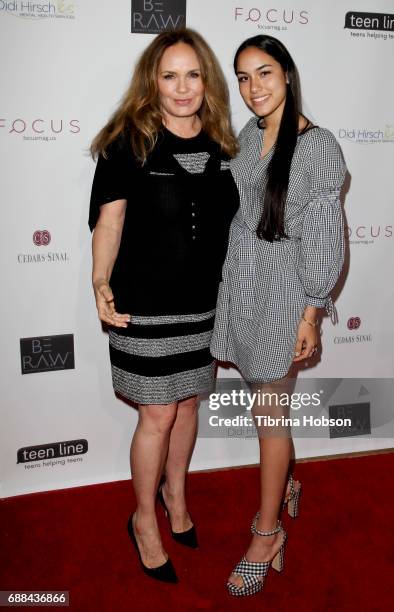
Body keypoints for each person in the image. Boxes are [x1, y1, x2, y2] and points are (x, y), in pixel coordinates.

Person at [88, 28, 239, 584]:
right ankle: (144, 519)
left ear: (208, 81)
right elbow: (110, 221)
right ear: (152, 80)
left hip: (204, 307)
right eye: (169, 75)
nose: (182, 87)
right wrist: (99, 281)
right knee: (158, 413)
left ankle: (177, 495)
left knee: (188, 406)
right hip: (144, 308)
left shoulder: (226, 145)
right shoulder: (127, 142)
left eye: (193, 74)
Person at [210, 35, 347, 596]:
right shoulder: (248, 134)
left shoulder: (319, 147)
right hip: (242, 294)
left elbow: (324, 240)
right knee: (271, 414)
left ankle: (266, 534)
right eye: (243, 77)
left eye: (264, 73)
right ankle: (285, 480)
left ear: (287, 75)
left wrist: (311, 314)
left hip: (285, 299)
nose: (253, 88)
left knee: (269, 417)